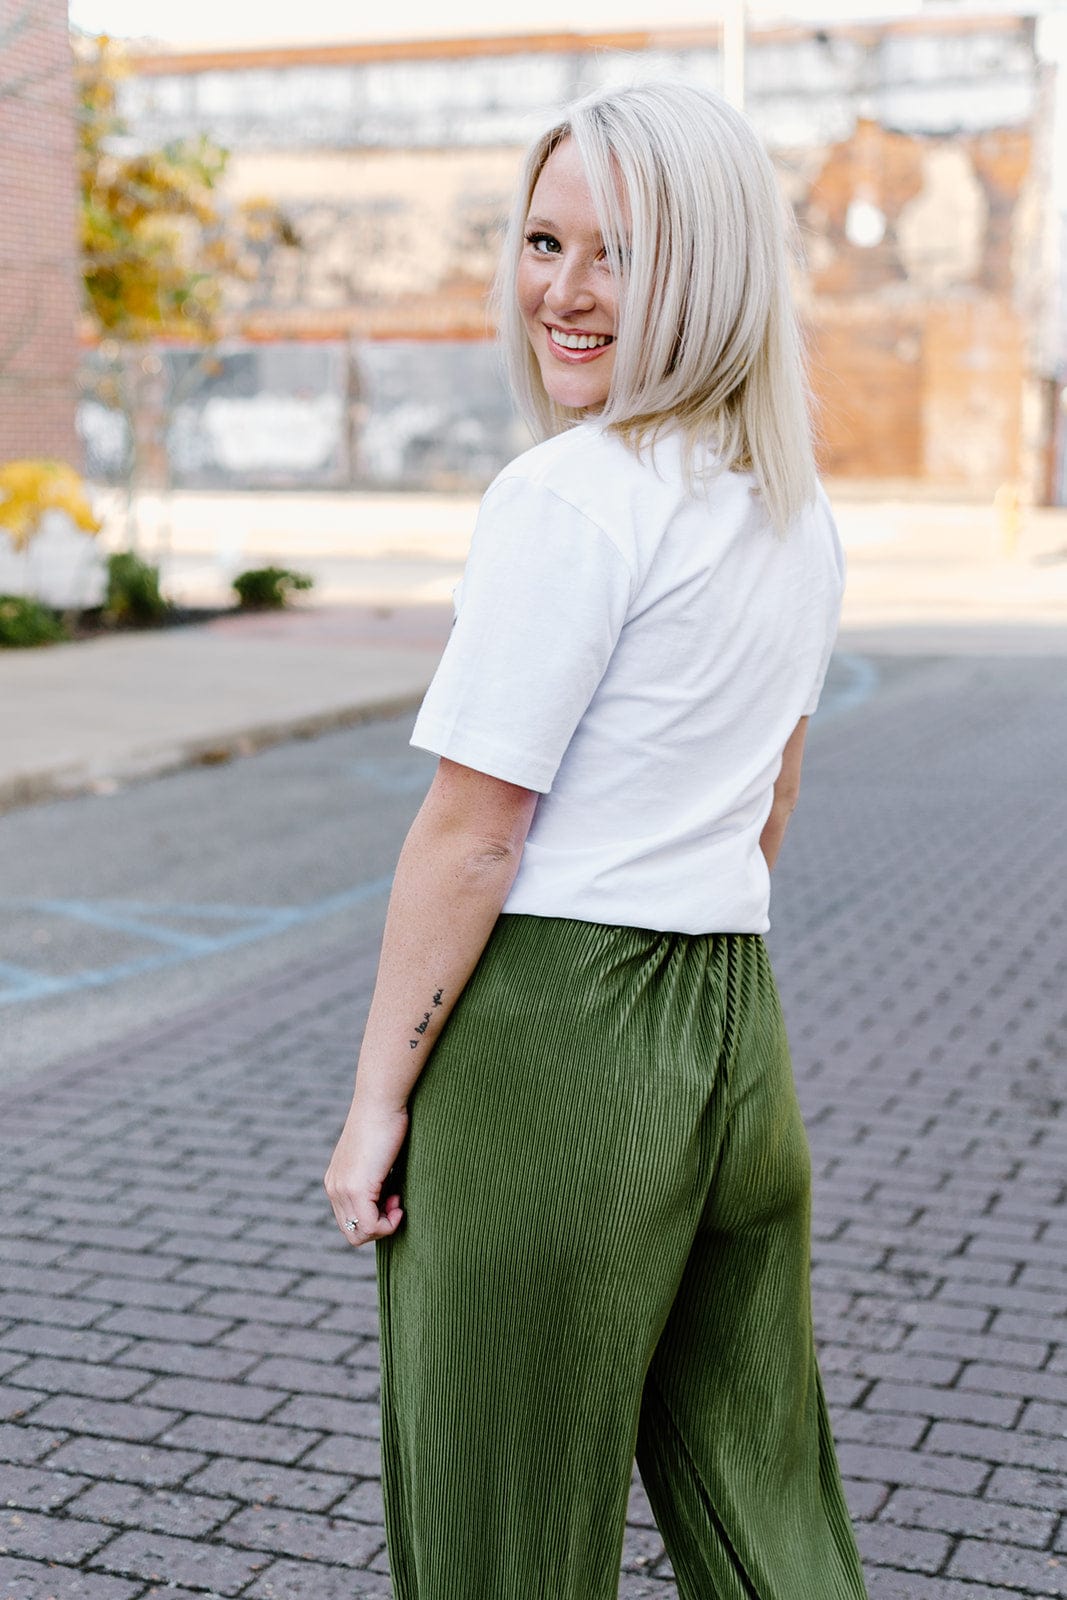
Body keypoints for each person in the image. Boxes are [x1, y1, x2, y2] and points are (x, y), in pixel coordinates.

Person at [324, 77, 869, 1600]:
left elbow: (474, 836)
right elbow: (771, 802)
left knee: (500, 1527)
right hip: (732, 1033)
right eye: (542, 240)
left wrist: (378, 1105)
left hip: (556, 1042)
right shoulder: (796, 514)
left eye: (616, 253)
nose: (564, 292)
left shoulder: (568, 501)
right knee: (765, 1504)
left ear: (707, 271)